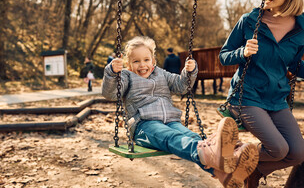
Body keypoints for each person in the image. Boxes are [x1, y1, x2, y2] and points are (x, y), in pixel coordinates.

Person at [102, 36, 259, 187]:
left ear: (153, 61)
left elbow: (182, 86)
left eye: (146, 60)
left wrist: (189, 72)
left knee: (192, 137)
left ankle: (226, 173)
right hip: (144, 125)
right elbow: (110, 94)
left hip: (171, 121)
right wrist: (111, 73)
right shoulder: (126, 77)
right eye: (136, 61)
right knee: (174, 137)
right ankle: (225, 154)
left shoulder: (162, 74)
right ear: (128, 65)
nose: (142, 65)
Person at [219, 0, 304, 188]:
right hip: (246, 96)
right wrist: (242, 53)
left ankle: (253, 170)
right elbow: (224, 56)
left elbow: (294, 65)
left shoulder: (301, 28)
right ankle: (228, 156)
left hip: (276, 99)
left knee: (297, 153)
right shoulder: (250, 20)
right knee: (278, 149)